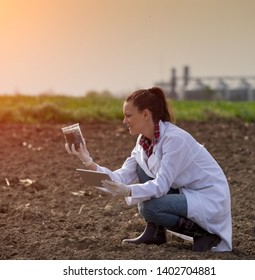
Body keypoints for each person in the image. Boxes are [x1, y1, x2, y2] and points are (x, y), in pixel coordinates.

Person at [65, 87, 232, 252]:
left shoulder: (175, 140)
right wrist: (87, 160)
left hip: (208, 196)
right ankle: (156, 233)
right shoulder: (143, 141)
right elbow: (120, 177)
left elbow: (161, 185)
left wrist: (129, 191)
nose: (124, 121)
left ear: (146, 114)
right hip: (186, 191)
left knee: (149, 208)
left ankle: (203, 234)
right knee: (142, 168)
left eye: (128, 115)